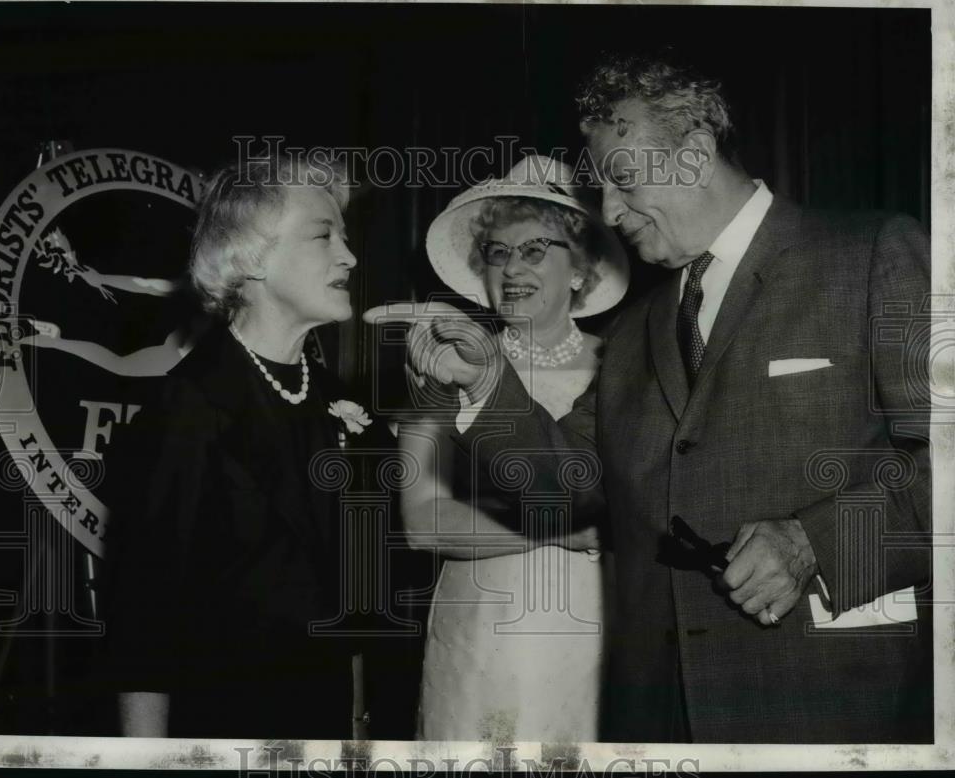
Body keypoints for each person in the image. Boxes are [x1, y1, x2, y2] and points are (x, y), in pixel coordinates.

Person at [367, 54, 932, 743]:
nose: (608, 211)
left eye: (624, 180)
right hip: (658, 710)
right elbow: (573, 481)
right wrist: (486, 383)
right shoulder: (638, 327)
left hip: (825, 696)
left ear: (693, 157)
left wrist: (815, 540)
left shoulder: (871, 255)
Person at [102, 154, 366, 738]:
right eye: (324, 235)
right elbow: (142, 622)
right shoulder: (189, 405)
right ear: (252, 259)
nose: (349, 255)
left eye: (344, 236)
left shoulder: (334, 397)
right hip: (222, 730)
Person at [399, 155, 629, 741]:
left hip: (599, 628)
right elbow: (423, 522)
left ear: (580, 270)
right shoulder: (445, 361)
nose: (510, 268)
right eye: (497, 252)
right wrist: (561, 529)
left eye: (534, 251)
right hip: (481, 632)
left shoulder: (627, 365)